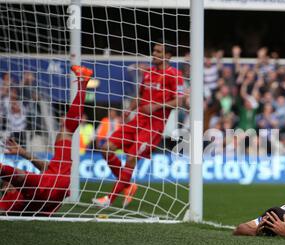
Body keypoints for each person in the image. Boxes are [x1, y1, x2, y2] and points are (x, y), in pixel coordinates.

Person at [92, 41, 184, 208]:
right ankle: (127, 185)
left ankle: (109, 199)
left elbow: (180, 100)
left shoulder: (175, 75)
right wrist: (128, 111)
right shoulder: (148, 73)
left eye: (159, 51)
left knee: (131, 158)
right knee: (106, 149)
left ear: (168, 56)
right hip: (137, 120)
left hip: (153, 126)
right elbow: (140, 96)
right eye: (154, 50)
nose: (154, 54)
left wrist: (156, 106)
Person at [0, 65, 92, 215]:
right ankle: (83, 82)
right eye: (6, 185)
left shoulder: (16, 196)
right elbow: (11, 174)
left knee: (66, 131)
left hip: (57, 184)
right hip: (46, 189)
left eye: (7, 184)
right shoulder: (10, 200)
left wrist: (24, 153)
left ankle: (83, 82)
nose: (8, 185)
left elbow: (45, 168)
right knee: (8, 171)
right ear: (5, 190)